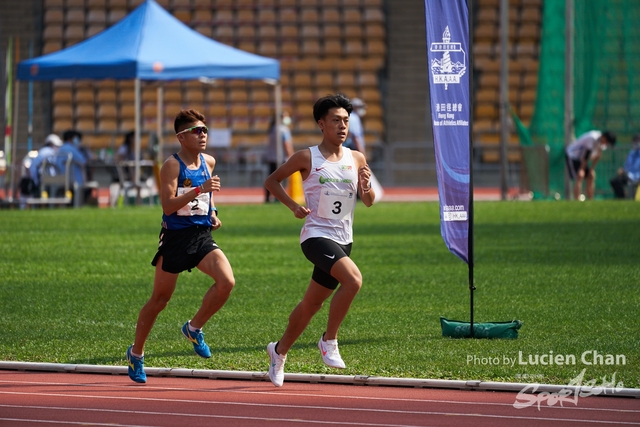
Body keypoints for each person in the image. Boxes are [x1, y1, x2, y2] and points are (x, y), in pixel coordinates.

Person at [263, 94, 376, 387]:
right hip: (316, 236)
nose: (342, 126)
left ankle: (279, 351)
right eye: (336, 120)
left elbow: (369, 201)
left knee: (311, 304)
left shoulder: (356, 158)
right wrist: (292, 205)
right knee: (354, 280)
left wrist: (366, 187)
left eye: (346, 121)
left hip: (343, 239)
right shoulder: (306, 157)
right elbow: (271, 181)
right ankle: (329, 340)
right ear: (321, 124)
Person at [126, 109, 235, 384]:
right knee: (160, 300)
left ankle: (193, 328)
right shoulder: (172, 166)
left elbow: (207, 198)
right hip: (175, 238)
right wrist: (199, 190)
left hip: (200, 235)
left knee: (227, 282)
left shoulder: (209, 161)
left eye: (205, 130)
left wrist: (213, 213)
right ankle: (136, 353)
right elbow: (168, 206)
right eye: (196, 131)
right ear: (181, 137)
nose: (203, 135)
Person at [565, 130, 616, 200]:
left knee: (591, 176)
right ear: (604, 137)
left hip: (581, 158)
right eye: (607, 142)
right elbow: (586, 155)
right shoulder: (592, 138)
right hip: (573, 155)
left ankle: (590, 201)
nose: (606, 144)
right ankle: (577, 201)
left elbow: (598, 155)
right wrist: (581, 170)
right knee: (579, 176)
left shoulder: (601, 142)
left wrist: (591, 169)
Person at [264, 112, 294, 203]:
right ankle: (278, 198)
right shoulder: (284, 130)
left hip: (272, 158)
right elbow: (286, 144)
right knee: (280, 180)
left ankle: (268, 198)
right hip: (281, 158)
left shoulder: (272, 129)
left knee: (271, 178)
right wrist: (291, 157)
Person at [56, 130, 89, 203]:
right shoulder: (72, 149)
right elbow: (83, 161)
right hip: (73, 179)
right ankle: (79, 204)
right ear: (70, 138)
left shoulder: (60, 148)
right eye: (76, 138)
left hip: (60, 177)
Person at [610, 133, 640, 199]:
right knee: (614, 181)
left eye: (638, 140)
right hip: (629, 175)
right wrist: (623, 170)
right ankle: (623, 198)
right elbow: (627, 166)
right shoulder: (631, 153)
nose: (636, 142)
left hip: (638, 176)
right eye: (635, 141)